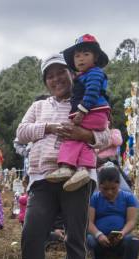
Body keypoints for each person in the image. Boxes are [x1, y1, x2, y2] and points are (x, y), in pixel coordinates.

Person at [14, 54, 112, 259]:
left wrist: (84, 134)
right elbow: (21, 133)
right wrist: (49, 127)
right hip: (43, 178)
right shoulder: (39, 107)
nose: (56, 79)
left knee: (75, 235)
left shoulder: (87, 100)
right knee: (32, 233)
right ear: (46, 82)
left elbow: (105, 136)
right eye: (50, 75)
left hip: (78, 177)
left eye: (61, 72)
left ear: (72, 74)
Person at [46, 34, 111, 192]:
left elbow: (92, 91)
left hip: (92, 112)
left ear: (95, 58)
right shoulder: (85, 75)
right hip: (95, 114)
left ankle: (67, 166)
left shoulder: (94, 73)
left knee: (70, 134)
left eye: (86, 54)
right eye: (77, 56)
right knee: (83, 140)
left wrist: (81, 111)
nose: (81, 58)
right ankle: (83, 169)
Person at [85, 166, 139, 259]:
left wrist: (122, 233)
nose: (109, 192)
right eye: (105, 189)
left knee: (133, 241)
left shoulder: (128, 197)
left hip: (119, 239)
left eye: (113, 188)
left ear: (119, 185)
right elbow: (89, 223)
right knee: (88, 240)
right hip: (98, 240)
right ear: (99, 186)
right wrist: (99, 235)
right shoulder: (94, 198)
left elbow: (131, 221)